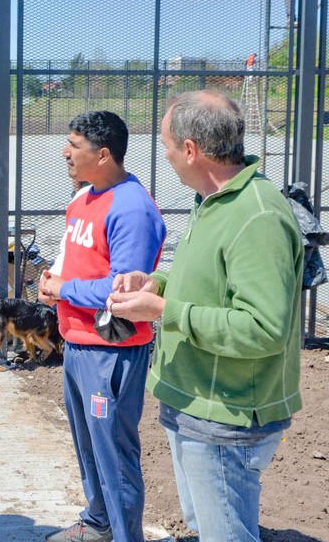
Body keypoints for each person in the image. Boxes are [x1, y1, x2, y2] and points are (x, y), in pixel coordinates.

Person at [109, 91, 303, 542]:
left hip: (226, 417)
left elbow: (263, 329)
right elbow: (208, 281)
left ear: (191, 150)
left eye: (168, 146)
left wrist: (164, 311)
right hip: (196, 407)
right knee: (207, 530)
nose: (167, 156)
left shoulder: (256, 217)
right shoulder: (213, 200)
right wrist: (157, 281)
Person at [38, 111, 166, 542]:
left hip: (110, 352)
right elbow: (70, 257)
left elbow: (127, 296)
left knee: (114, 452)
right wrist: (53, 283)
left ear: (104, 153)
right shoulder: (84, 197)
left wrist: (65, 288)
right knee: (90, 447)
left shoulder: (131, 209)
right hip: (78, 344)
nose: (65, 152)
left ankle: (125, 535)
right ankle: (98, 522)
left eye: (74, 145)